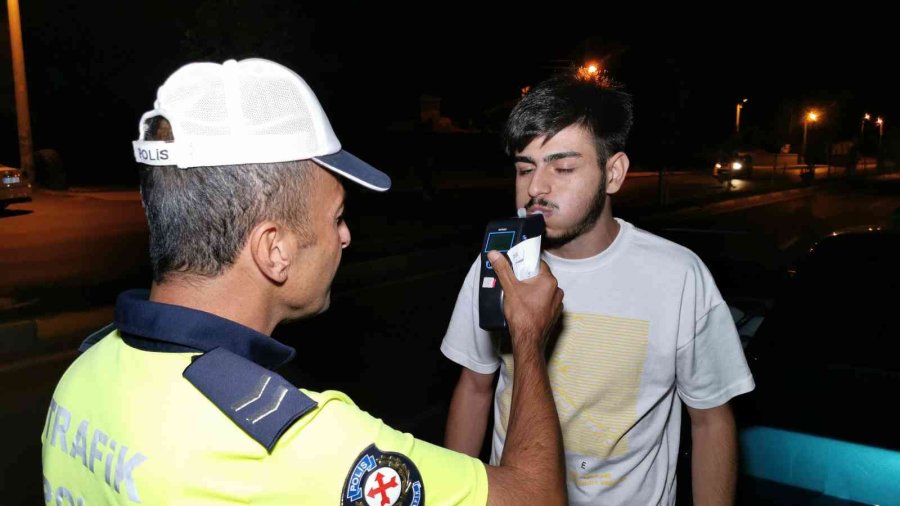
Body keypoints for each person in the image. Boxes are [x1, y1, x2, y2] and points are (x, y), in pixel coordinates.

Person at [41, 57, 567, 505]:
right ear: (275, 250)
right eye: (337, 217)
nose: (345, 238)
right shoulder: (291, 443)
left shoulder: (83, 372)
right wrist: (527, 336)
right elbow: (535, 496)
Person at [441, 71, 755, 505]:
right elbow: (475, 388)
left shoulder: (679, 276)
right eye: (524, 168)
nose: (536, 187)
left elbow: (710, 421)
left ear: (614, 173)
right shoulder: (498, 264)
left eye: (563, 166)